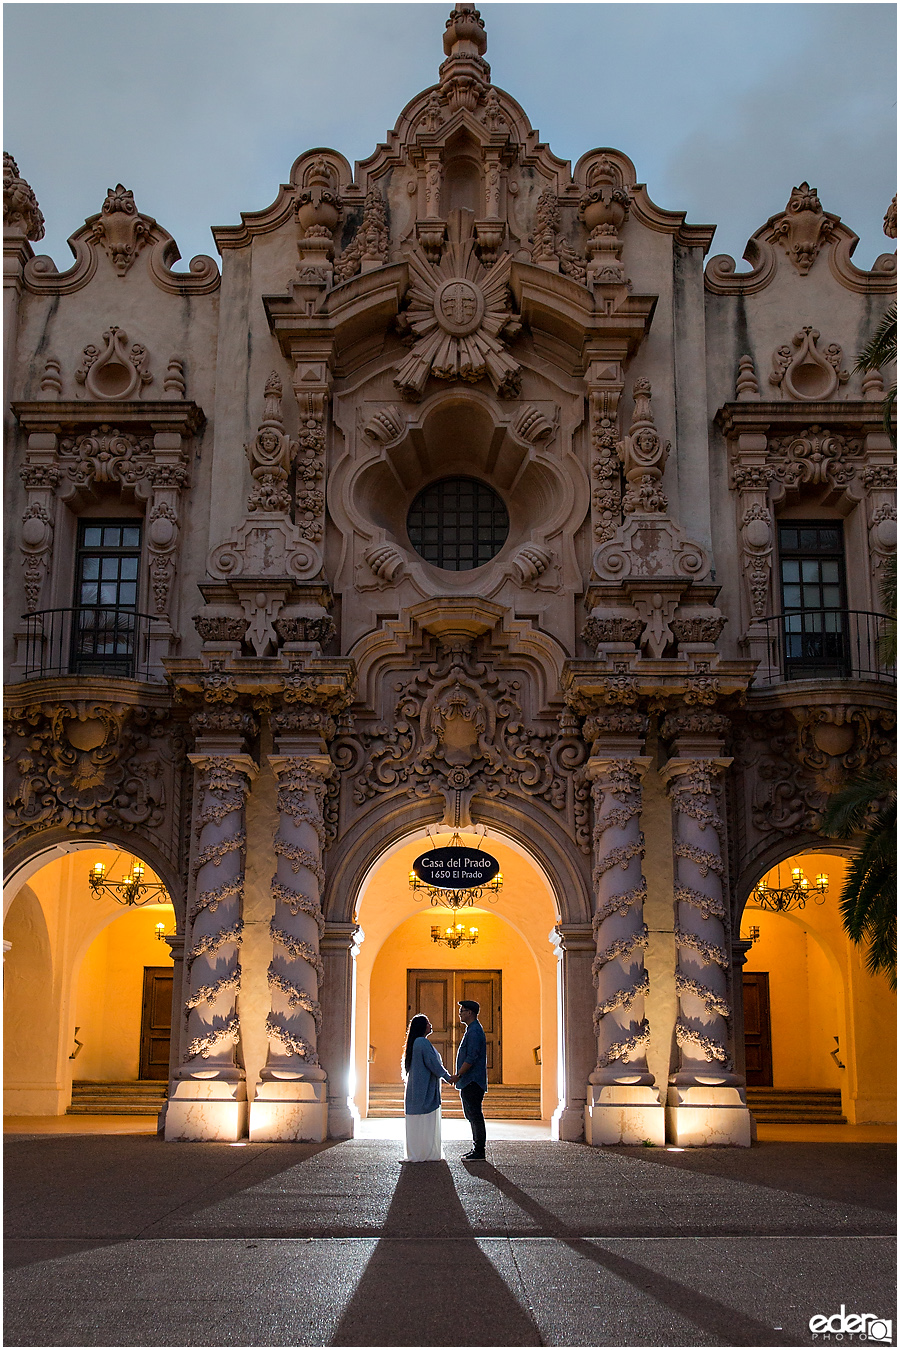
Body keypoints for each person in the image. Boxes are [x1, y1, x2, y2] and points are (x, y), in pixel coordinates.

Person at [401, 1013, 452, 1162]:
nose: (431, 1025)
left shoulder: (415, 1043)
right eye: (428, 1023)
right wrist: (448, 1077)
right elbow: (433, 1064)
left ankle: (417, 1153)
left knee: (417, 1124)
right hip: (424, 1091)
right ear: (422, 1027)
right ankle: (426, 1153)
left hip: (416, 1090)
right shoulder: (422, 1043)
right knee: (427, 1123)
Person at [450, 999, 488, 1160]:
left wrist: (459, 1074)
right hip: (470, 1080)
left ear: (470, 1013)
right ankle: (477, 1148)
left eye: (462, 1011)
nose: (460, 1013)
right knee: (472, 1114)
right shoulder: (472, 1030)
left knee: (474, 1114)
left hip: (472, 1080)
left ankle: (479, 1150)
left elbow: (472, 1057)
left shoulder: (474, 1031)